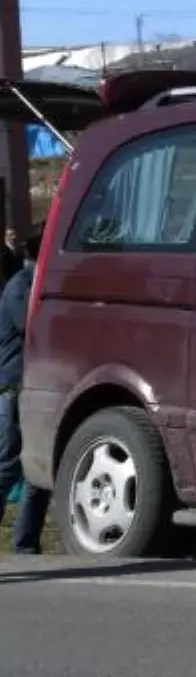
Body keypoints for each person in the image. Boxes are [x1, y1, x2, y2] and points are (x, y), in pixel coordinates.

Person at [0, 227, 51, 553]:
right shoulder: (21, 287)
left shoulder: (34, 285)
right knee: (6, 467)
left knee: (38, 472)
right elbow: (33, 329)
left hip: (31, 388)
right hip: (14, 389)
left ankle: (26, 545)